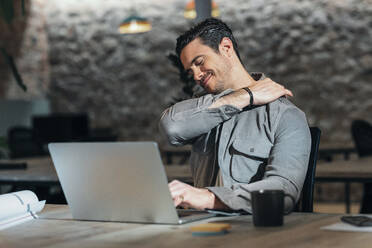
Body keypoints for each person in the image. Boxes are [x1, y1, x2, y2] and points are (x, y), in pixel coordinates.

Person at [159, 18, 311, 213]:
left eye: (200, 63)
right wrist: (246, 96)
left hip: (251, 232)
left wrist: (208, 198)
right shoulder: (201, 110)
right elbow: (170, 127)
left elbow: (284, 191)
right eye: (191, 71)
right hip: (199, 229)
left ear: (226, 47)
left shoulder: (285, 115)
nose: (196, 76)